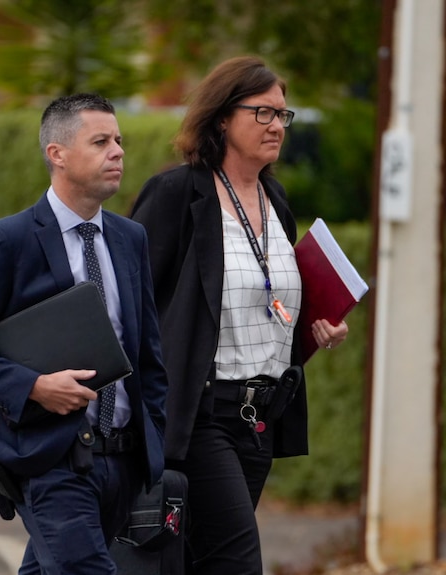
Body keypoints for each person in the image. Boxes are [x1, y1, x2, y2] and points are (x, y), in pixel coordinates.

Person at [0, 93, 168, 575]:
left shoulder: (130, 238)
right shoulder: (10, 240)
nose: (118, 151)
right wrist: (34, 387)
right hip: (53, 461)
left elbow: (147, 354)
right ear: (56, 154)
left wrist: (153, 437)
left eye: (119, 140)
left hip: (122, 462)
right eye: (100, 141)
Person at [129, 56, 349, 574]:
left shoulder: (275, 198)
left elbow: (274, 300)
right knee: (237, 561)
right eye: (263, 113)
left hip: (261, 420)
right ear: (223, 117)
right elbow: (129, 298)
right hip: (203, 414)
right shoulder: (178, 194)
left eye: (283, 115)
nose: (277, 125)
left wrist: (318, 324)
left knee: (199, 561)